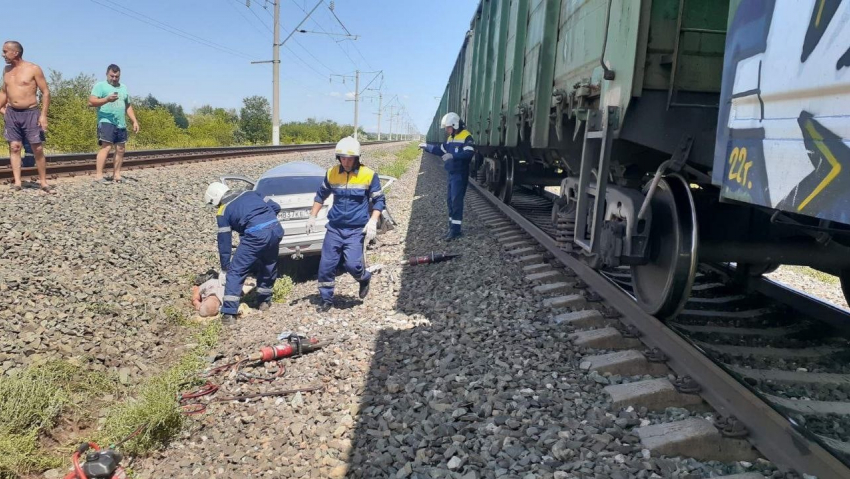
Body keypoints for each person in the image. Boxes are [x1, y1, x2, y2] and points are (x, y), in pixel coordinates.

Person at [306, 136, 385, 312]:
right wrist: (312, 216)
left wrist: (373, 220)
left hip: (356, 229)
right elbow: (321, 195)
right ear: (338, 158)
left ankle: (364, 277)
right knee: (326, 264)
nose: (346, 162)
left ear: (357, 158)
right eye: (343, 158)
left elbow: (379, 200)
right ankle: (326, 298)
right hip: (334, 228)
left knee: (352, 265)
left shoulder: (369, 175)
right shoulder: (332, 174)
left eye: (350, 158)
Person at [204, 182, 284, 326]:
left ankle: (229, 313)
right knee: (268, 263)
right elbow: (276, 207)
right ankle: (264, 301)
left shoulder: (223, 211)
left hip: (256, 235)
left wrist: (225, 266)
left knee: (236, 271)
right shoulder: (252, 193)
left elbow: (224, 241)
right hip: (276, 229)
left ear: (215, 199)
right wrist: (266, 220)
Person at [0, 40, 52, 193]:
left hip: (31, 113)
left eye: (5, 51)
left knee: (37, 148)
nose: (3, 54)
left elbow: (46, 92)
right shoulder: (6, 70)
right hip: (12, 113)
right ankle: (17, 182)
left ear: (15, 52)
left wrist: (43, 116)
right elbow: (4, 91)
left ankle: (43, 182)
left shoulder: (33, 69)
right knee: (15, 147)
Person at [419, 112, 475, 240]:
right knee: (450, 201)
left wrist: (453, 155)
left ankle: (456, 230)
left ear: (455, 125)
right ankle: (452, 227)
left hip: (460, 174)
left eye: (448, 128)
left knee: (456, 201)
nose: (446, 130)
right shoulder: (451, 138)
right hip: (451, 174)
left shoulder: (467, 137)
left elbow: (469, 153)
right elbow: (441, 149)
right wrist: (427, 147)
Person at [88, 64, 139, 184]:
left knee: (121, 148)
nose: (114, 78)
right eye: (112, 76)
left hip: (120, 122)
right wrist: (106, 99)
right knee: (106, 147)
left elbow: (128, 106)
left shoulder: (123, 88)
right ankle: (99, 176)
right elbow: (91, 101)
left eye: (117, 76)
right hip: (106, 121)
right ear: (107, 74)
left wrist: (134, 121)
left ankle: (117, 175)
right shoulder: (100, 86)